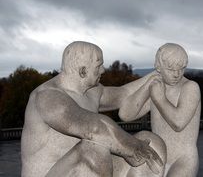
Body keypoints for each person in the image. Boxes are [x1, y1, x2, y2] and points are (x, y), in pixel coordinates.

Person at [21, 41, 164, 177]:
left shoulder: (93, 92)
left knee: (151, 142)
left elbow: (124, 95)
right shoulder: (47, 96)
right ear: (82, 71)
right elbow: (95, 128)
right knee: (93, 148)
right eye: (98, 65)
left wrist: (159, 74)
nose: (103, 70)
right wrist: (132, 149)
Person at [119, 43, 201, 177]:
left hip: (184, 160)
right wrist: (147, 87)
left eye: (181, 69)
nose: (176, 74)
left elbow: (178, 122)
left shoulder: (190, 87)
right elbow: (125, 115)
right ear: (158, 67)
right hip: (159, 156)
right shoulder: (157, 87)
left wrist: (159, 99)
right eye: (170, 69)